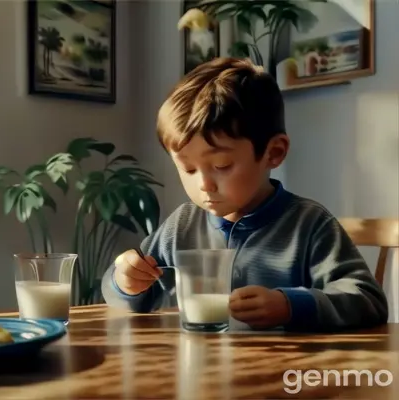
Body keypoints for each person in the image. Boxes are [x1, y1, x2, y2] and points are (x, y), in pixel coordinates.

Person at [100, 57, 388, 332]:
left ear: (273, 153)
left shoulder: (309, 225)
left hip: (288, 375)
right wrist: (125, 281)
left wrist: (291, 306)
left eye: (221, 166)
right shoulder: (181, 226)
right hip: (199, 372)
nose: (204, 185)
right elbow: (126, 296)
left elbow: (367, 299)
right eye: (187, 169)